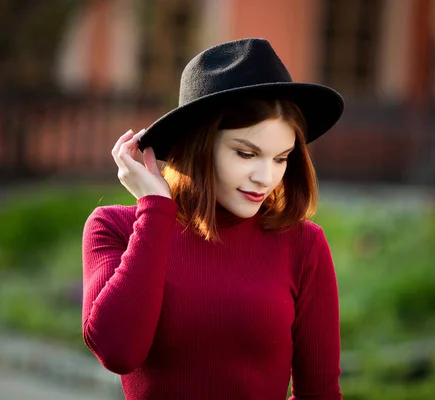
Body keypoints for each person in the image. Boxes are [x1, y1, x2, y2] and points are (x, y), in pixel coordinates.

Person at [81, 38, 345, 399]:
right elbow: (118, 351)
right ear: (197, 144)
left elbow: (320, 392)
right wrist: (155, 210)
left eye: (280, 158)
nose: (266, 178)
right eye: (246, 153)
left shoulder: (304, 245)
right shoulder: (114, 229)